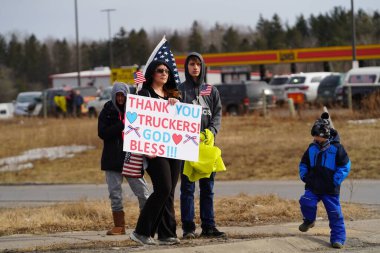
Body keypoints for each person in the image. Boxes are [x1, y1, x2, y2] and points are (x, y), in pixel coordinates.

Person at [129, 60, 182, 246]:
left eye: (166, 71)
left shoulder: (172, 95)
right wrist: (144, 147)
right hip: (154, 151)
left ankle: (167, 233)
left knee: (169, 191)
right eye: (160, 70)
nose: (164, 73)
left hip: (174, 149)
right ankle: (141, 232)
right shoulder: (145, 94)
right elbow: (138, 123)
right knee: (163, 188)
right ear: (152, 73)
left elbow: (180, 121)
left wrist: (176, 104)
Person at [178, 52, 225, 239]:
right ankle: (188, 228)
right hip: (186, 146)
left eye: (198, 64)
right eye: (191, 64)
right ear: (186, 67)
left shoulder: (210, 90)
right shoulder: (180, 90)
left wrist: (211, 132)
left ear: (203, 66)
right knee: (187, 189)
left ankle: (209, 226)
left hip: (206, 146)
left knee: (207, 187)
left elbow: (217, 114)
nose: (195, 67)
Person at [98, 82, 150, 236]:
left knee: (142, 192)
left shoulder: (135, 108)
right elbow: (102, 133)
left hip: (132, 157)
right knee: (115, 193)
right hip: (112, 159)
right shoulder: (107, 111)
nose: (120, 98)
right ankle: (119, 226)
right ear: (114, 96)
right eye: (117, 95)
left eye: (123, 95)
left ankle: (146, 224)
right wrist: (122, 124)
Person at [298, 112, 351, 249]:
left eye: (317, 136)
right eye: (314, 136)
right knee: (306, 201)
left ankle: (338, 238)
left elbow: (345, 166)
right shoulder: (311, 148)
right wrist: (305, 176)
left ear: (325, 135)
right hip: (313, 186)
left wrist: (336, 180)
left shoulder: (337, 149)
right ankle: (309, 220)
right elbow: (303, 164)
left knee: (335, 214)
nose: (315, 138)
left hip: (330, 188)